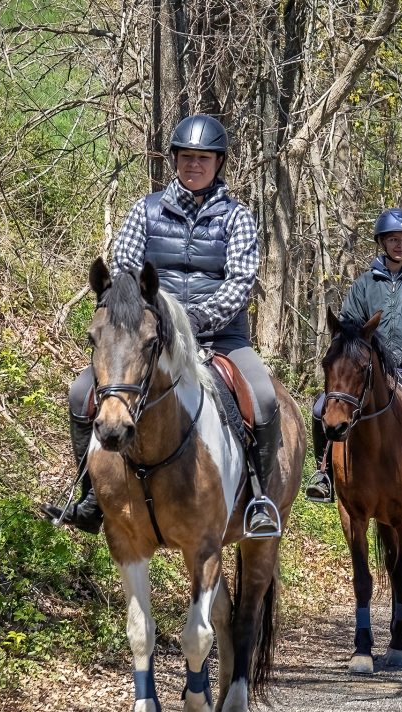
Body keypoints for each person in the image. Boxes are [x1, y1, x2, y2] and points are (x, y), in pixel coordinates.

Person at [43, 113, 282, 538]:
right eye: (187, 157)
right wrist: (155, 322)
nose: (194, 165)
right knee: (81, 393)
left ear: (218, 163)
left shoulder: (237, 217)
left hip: (220, 336)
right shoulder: (146, 210)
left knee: (263, 399)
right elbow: (124, 272)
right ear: (174, 160)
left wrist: (189, 322)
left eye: (203, 158)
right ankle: (91, 499)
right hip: (149, 338)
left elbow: (239, 284)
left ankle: (259, 500)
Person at [304, 208, 402, 510]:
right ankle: (323, 474)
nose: (400, 245)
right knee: (319, 407)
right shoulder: (365, 284)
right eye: (393, 239)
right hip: (369, 370)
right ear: (382, 242)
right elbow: (349, 324)